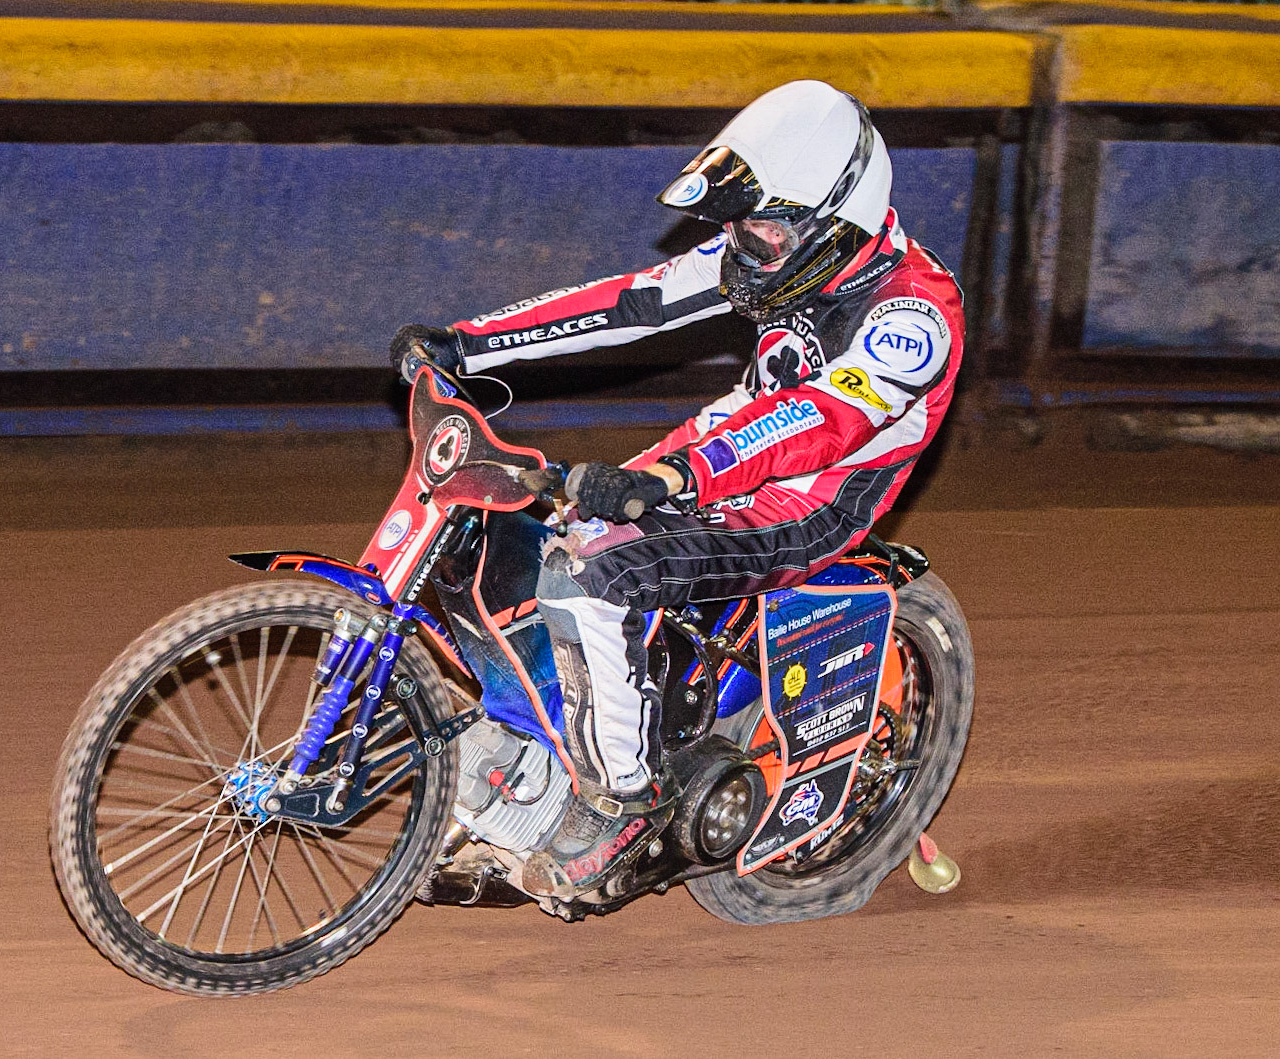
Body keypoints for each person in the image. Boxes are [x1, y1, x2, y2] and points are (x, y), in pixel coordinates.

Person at [389, 80, 964, 900]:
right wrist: (467, 345)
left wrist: (674, 474)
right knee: (527, 534)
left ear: (833, 220)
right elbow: (633, 302)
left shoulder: (913, 318)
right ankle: (551, 750)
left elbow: (816, 419)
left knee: (596, 575)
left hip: (809, 500)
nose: (740, 243)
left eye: (761, 228)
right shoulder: (776, 250)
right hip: (728, 446)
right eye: (736, 225)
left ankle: (623, 801)